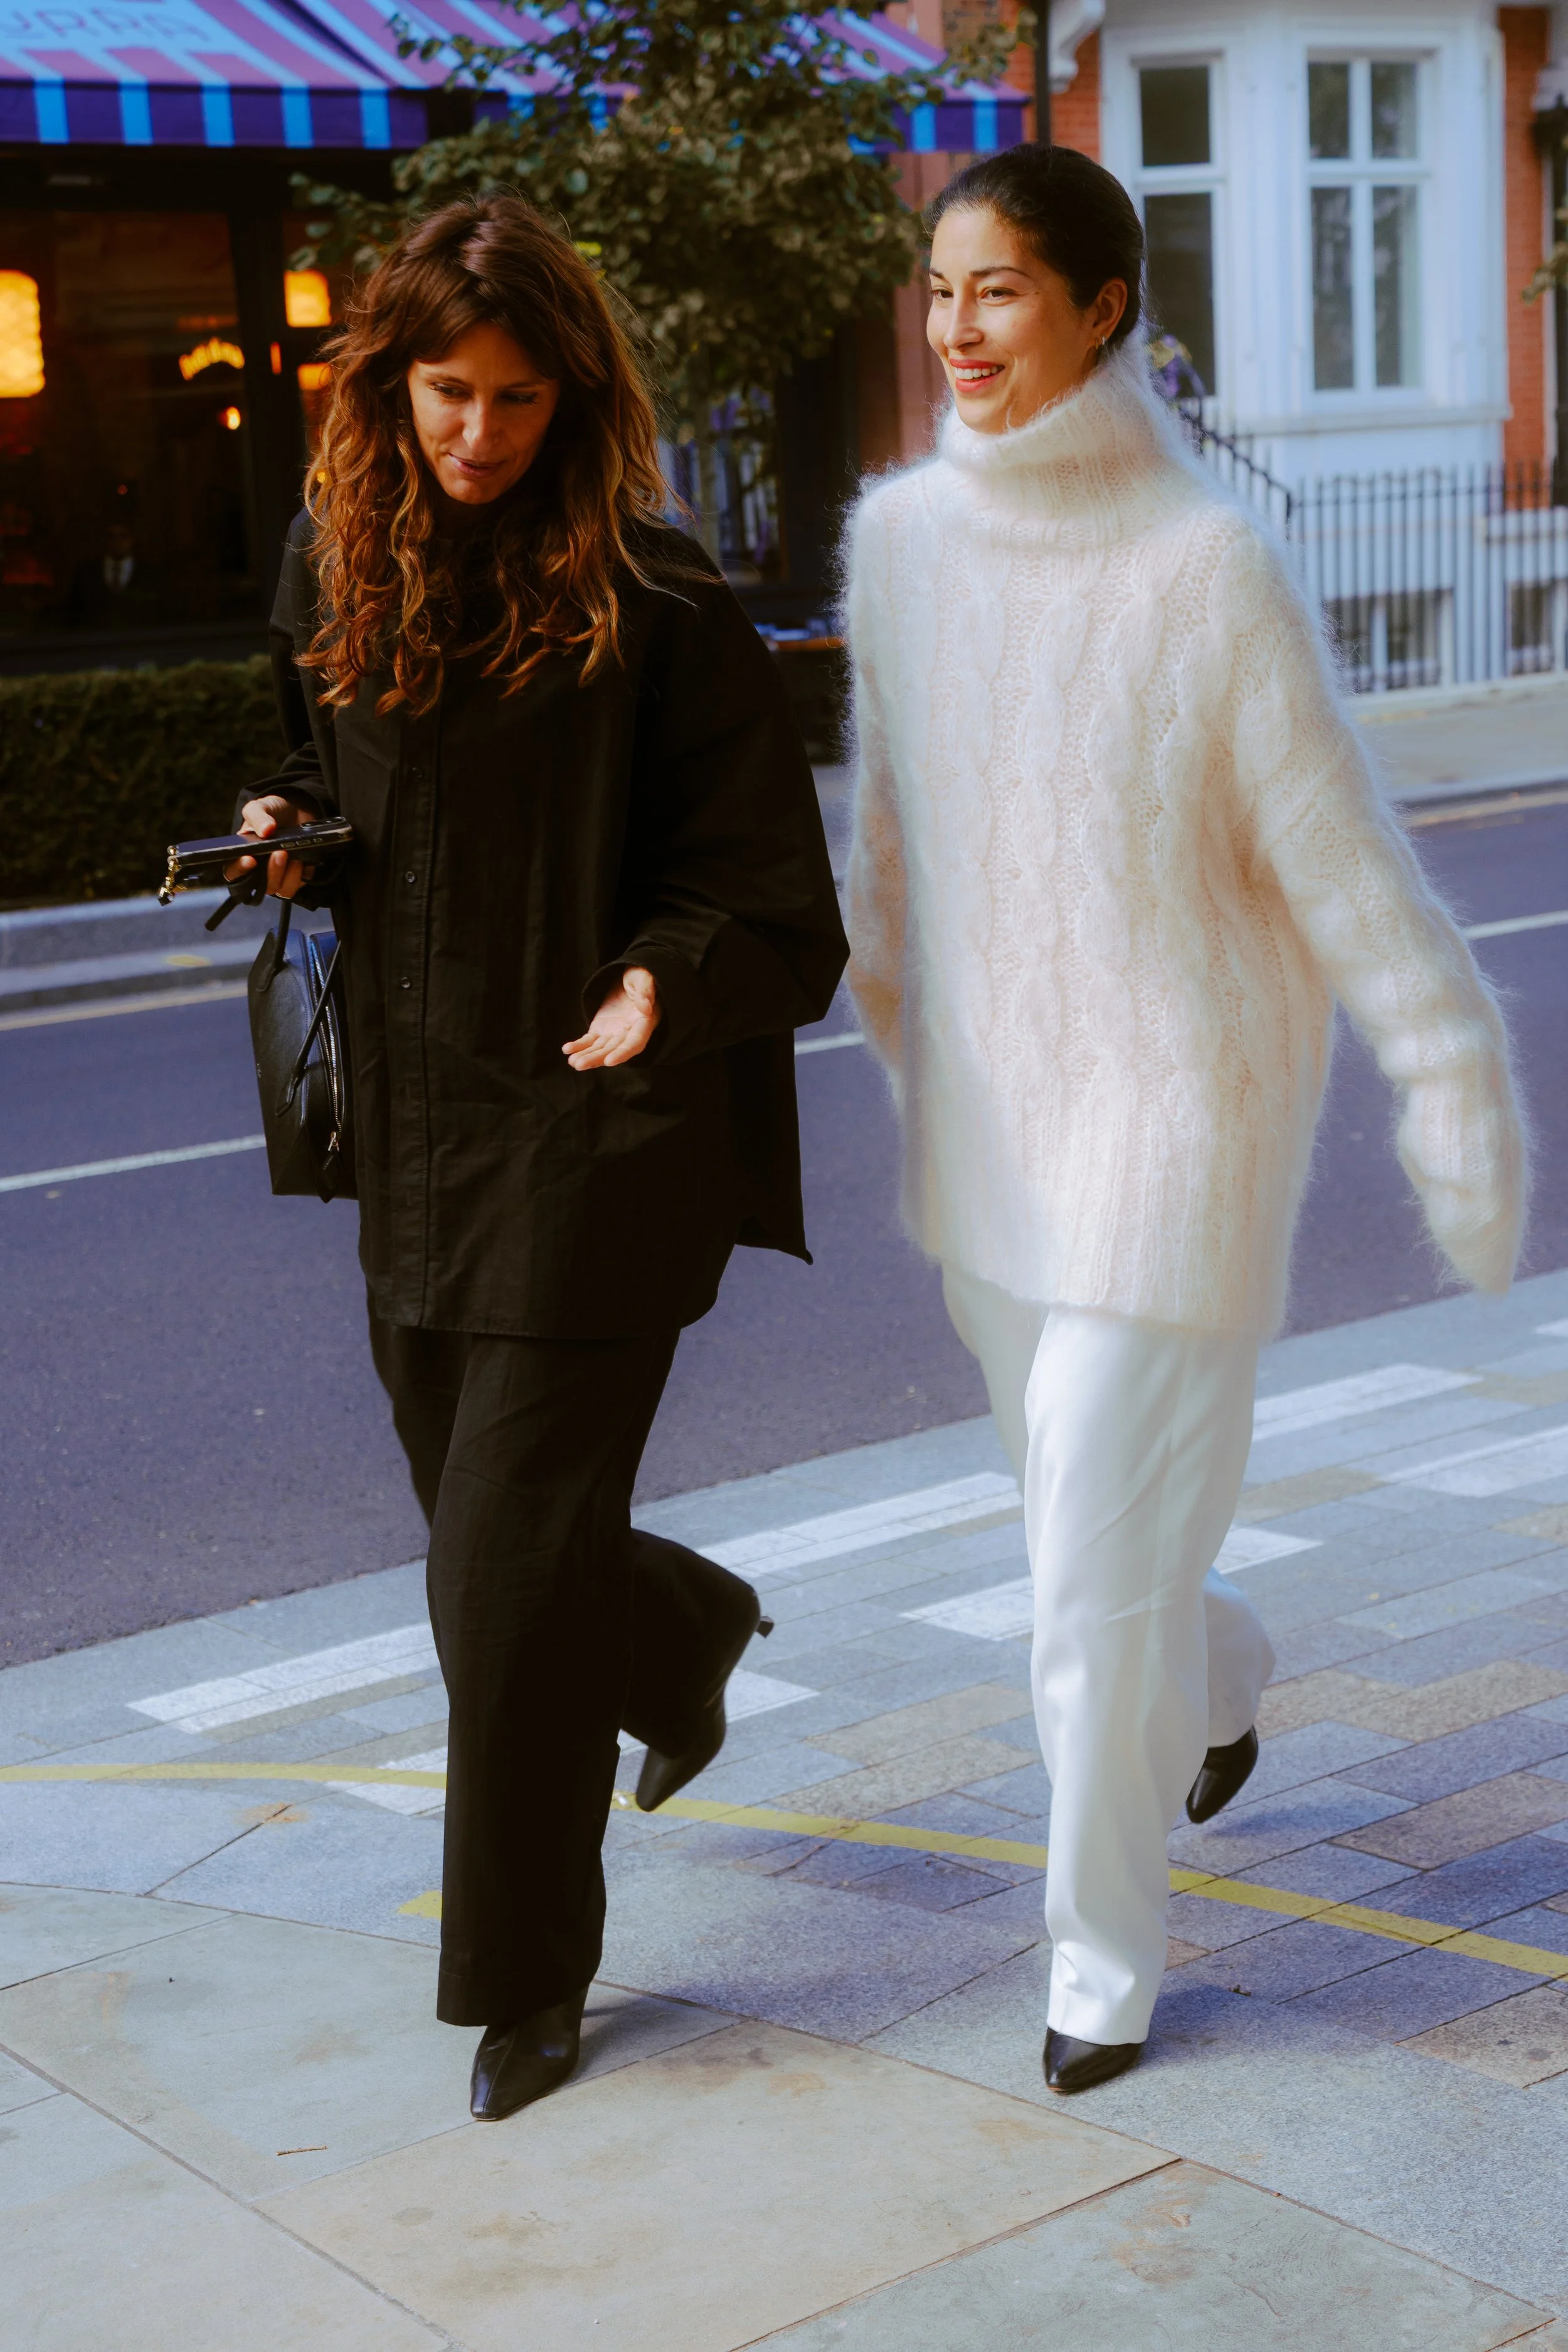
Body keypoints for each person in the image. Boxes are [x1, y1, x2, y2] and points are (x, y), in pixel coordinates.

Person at [843, 144, 1525, 2097]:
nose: (957, 329)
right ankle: (1221, 1675)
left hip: (1175, 1124)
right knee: (1105, 1553)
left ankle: (1097, 1964)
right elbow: (890, 826)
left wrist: (1447, 1074)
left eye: (999, 290)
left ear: (1101, 310)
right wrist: (895, 1023)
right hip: (988, 1132)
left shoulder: (1200, 567)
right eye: (940, 289)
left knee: (1074, 1582)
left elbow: (1337, 859)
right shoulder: (897, 544)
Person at [227, 196, 847, 2122]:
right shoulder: (337, 562)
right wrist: (283, 829)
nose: (477, 433)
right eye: (443, 392)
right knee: (500, 1542)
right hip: (415, 1141)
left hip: (599, 1134)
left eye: (513, 398)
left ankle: (526, 1977)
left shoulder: (654, 601)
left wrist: (668, 981)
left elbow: (768, 897)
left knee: (495, 1579)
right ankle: (681, 1627)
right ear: (388, 383)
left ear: (573, 400)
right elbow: (326, 784)